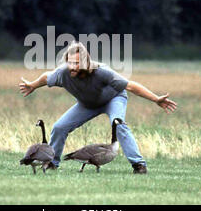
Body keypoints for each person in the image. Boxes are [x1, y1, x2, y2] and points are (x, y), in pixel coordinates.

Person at [19, 41, 177, 174]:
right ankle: (52, 163)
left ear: (85, 62)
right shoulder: (63, 73)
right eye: (70, 62)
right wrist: (32, 85)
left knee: (119, 125)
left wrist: (156, 99)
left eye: (77, 62)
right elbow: (46, 77)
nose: (73, 66)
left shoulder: (101, 72)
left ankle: (139, 165)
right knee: (59, 127)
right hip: (87, 105)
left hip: (113, 99)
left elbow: (130, 86)